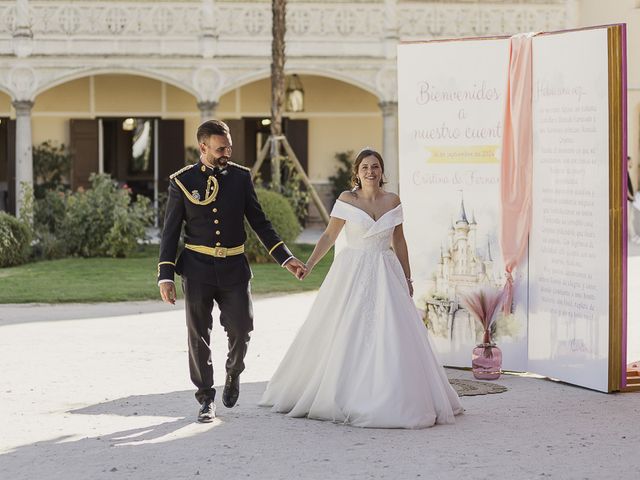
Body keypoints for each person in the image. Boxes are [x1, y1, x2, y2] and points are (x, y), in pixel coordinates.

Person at [259, 148, 463, 428]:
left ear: (382, 172)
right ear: (356, 172)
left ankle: (390, 393)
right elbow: (330, 235)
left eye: (375, 166)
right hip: (352, 270)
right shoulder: (346, 199)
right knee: (345, 328)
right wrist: (309, 264)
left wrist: (408, 277)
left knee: (390, 331)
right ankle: (340, 390)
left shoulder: (393, 200)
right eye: (365, 167)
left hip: (385, 269)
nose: (370, 171)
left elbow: (399, 241)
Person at [158, 120, 306, 423]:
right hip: (197, 269)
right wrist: (165, 275)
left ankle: (234, 370)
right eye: (221, 148)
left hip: (234, 268)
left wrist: (285, 257)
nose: (228, 152)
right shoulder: (182, 181)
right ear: (203, 147)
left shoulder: (240, 178)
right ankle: (205, 399)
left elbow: (259, 222)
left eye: (229, 147)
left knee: (242, 328)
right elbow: (170, 232)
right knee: (198, 335)